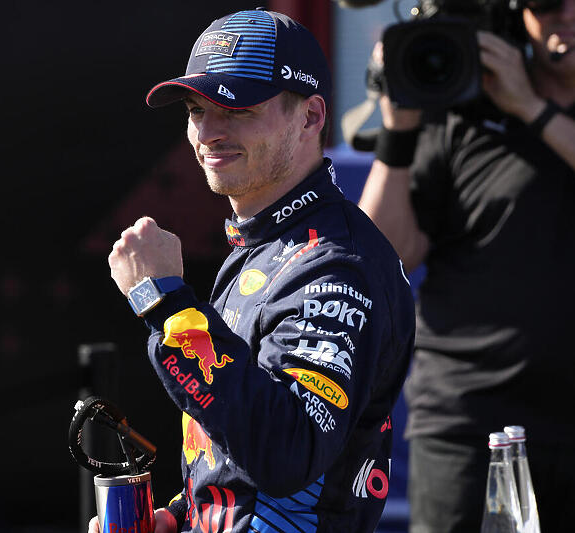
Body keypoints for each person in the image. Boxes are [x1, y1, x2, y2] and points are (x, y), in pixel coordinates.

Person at [95, 8, 415, 533]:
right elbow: (239, 443)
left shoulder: (336, 265)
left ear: (311, 116)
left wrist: (164, 302)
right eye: (198, 109)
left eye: (238, 109)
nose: (209, 132)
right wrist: (182, 517)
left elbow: (287, 453)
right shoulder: (265, 244)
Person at [358, 0, 575, 532]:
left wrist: (532, 109)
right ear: (519, 13)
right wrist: (399, 130)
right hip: (465, 427)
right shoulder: (459, 114)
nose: (566, 12)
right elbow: (381, 257)